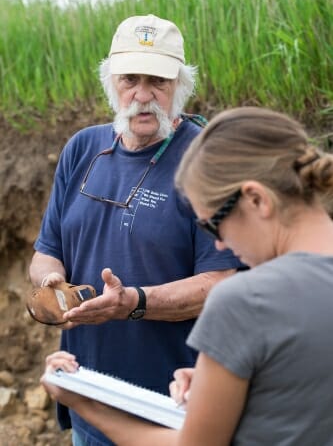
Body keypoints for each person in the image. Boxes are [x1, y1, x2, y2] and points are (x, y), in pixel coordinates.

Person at [41, 107, 333, 445]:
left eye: (212, 224)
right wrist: (227, 383)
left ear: (257, 199)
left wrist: (85, 403)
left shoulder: (244, 301)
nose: (220, 243)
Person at [29, 14, 243, 445]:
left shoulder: (208, 161)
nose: (142, 96)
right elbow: (46, 251)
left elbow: (223, 282)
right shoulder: (83, 149)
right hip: (87, 392)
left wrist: (134, 302)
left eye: (158, 82)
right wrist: (52, 284)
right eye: (130, 79)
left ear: (180, 86)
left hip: (173, 408)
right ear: (111, 80)